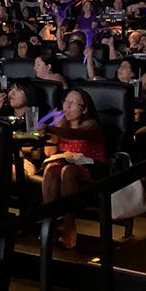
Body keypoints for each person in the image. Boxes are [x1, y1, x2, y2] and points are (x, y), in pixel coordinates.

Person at [39, 89, 107, 249]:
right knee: (51, 168)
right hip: (68, 162)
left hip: (92, 165)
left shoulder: (91, 125)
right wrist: (57, 125)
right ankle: (50, 222)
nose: (66, 106)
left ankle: (69, 224)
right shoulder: (62, 126)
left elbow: (77, 134)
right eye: (65, 102)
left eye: (72, 103)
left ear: (84, 109)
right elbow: (49, 152)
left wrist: (51, 128)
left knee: (67, 171)